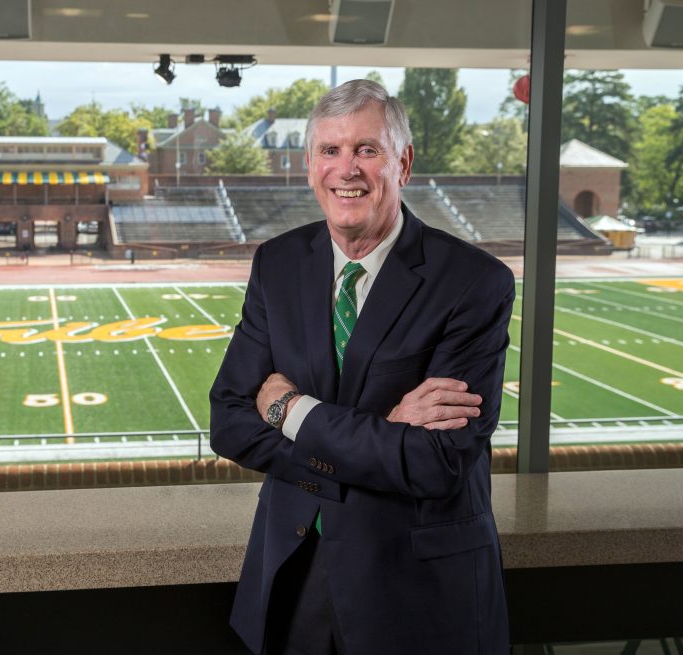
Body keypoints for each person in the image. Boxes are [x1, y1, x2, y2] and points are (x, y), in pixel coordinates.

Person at [209, 79, 514, 655]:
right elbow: (227, 420)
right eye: (330, 150)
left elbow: (437, 460)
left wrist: (290, 410)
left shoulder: (473, 281)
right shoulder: (277, 264)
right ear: (310, 166)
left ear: (404, 163)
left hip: (416, 589)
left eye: (366, 150)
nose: (345, 169)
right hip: (294, 568)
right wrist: (378, 435)